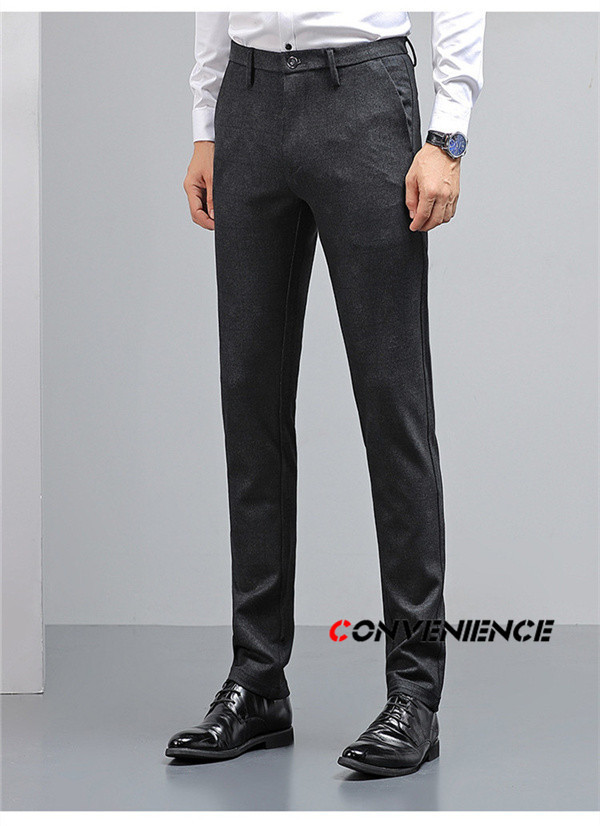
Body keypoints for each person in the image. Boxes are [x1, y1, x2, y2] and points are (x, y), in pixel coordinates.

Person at [166, 11, 485, 778]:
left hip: (363, 96)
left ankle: (414, 694)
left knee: (392, 403)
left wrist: (448, 133)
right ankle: (257, 683)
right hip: (248, 100)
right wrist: (207, 121)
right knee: (250, 401)